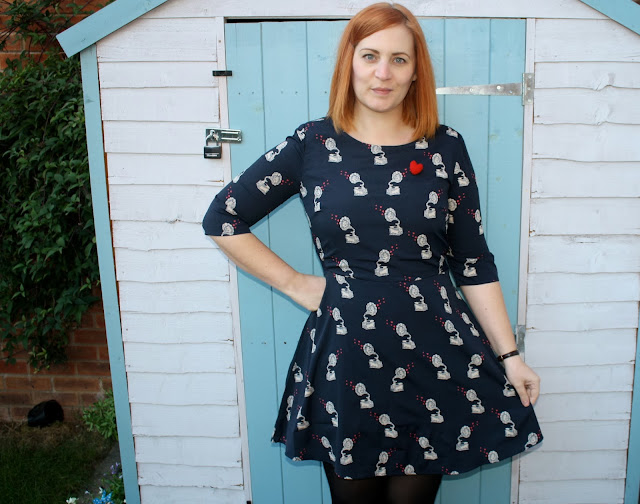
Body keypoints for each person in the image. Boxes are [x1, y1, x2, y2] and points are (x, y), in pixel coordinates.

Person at [203, 3, 542, 503]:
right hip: (348, 356)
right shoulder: (313, 144)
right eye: (370, 56)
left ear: (415, 72)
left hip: (434, 354)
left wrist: (510, 356)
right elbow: (223, 217)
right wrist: (296, 283)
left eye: (399, 59)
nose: (383, 73)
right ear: (349, 62)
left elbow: (472, 262)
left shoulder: (445, 148)